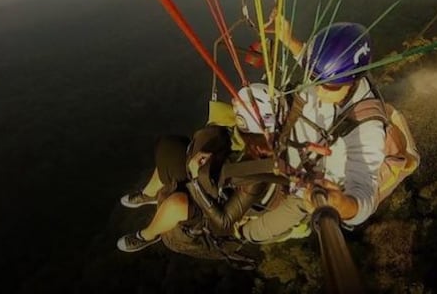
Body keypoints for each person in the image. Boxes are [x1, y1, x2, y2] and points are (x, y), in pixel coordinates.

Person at [239, 19, 387, 243]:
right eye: (315, 77)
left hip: (307, 186)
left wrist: (341, 205)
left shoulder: (366, 126)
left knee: (263, 226)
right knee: (251, 98)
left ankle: (241, 235)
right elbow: (309, 60)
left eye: (329, 86)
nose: (318, 89)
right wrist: (287, 39)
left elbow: (365, 192)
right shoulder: (332, 76)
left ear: (353, 79)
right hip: (289, 145)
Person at [116, 84, 283, 254]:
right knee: (168, 146)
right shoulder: (259, 141)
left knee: (176, 203)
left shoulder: (256, 174)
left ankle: (147, 236)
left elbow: (224, 221)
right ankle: (150, 194)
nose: (234, 103)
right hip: (212, 181)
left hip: (214, 212)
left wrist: (196, 180)